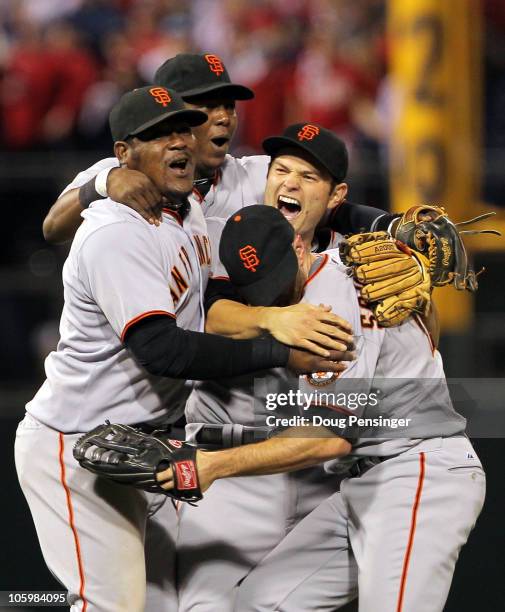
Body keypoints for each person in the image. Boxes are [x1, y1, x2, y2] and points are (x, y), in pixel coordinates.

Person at [14, 87, 348, 612]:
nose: (178, 141)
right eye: (159, 133)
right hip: (76, 440)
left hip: (148, 446)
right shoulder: (114, 231)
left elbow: (315, 181)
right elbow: (163, 351)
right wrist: (281, 353)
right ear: (124, 154)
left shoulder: (189, 205)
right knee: (111, 605)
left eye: (181, 129)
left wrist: (384, 224)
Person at [159, 204, 486, 612]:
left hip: (416, 471)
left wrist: (212, 466)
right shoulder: (332, 275)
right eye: (263, 288)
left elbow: (328, 441)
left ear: (300, 246)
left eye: (278, 278)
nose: (278, 294)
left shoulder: (328, 306)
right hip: (366, 481)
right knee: (261, 602)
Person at [174, 126, 358, 612]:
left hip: (324, 473)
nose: (289, 184)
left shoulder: (355, 256)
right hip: (233, 468)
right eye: (280, 170)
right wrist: (273, 318)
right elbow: (205, 314)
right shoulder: (230, 237)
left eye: (307, 175)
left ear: (336, 194)